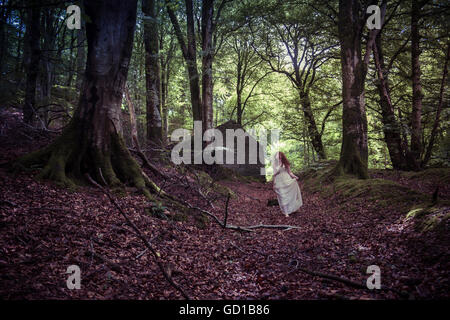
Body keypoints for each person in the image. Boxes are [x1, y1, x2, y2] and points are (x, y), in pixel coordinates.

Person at [272, 151, 303, 217]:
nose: (278, 157)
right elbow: (274, 174)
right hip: (279, 182)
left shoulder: (285, 163)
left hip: (286, 180)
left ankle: (292, 208)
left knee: (288, 196)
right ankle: (286, 213)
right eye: (277, 155)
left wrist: (295, 176)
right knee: (282, 196)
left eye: (279, 155)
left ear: (281, 156)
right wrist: (273, 184)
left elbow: (290, 172)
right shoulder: (275, 164)